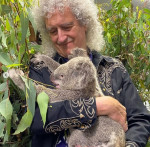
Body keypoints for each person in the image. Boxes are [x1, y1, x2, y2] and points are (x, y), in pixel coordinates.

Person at [29, 0, 150, 146]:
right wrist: (95, 106)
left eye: (67, 27)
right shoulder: (40, 68)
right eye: (53, 31)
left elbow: (139, 119)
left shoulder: (114, 68)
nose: (60, 38)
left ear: (85, 23)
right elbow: (33, 119)